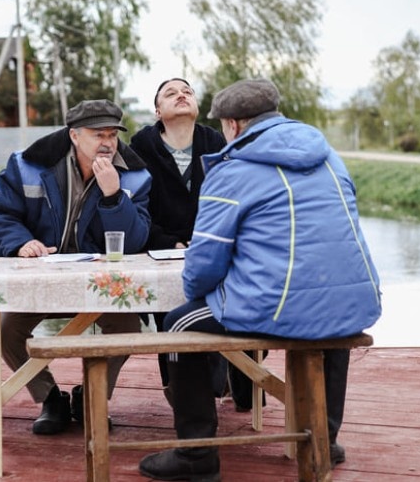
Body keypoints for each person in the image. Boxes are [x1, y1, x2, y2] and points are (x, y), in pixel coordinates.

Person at [138, 78, 382, 481]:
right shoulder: (330, 157)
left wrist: (208, 293)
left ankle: (196, 455)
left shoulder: (233, 169)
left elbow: (202, 265)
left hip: (280, 304)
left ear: (231, 125)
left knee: (178, 321)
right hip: (355, 302)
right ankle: (325, 438)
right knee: (333, 313)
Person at [0, 99, 151, 436]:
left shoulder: (136, 176)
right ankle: (50, 399)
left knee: (129, 327)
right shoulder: (26, 165)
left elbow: (135, 242)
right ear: (74, 135)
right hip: (40, 280)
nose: (107, 142)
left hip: (100, 283)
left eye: (113, 135)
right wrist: (20, 242)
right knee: (7, 333)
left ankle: (90, 397)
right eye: (97, 134)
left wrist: (114, 196)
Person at [129, 78, 231, 400]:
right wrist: (166, 242)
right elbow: (137, 207)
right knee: (167, 314)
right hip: (160, 249)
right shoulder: (140, 148)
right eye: (170, 93)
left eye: (187, 91)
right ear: (158, 111)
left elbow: (229, 201)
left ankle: (228, 373)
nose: (181, 95)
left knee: (213, 307)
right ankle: (177, 387)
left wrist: (207, 241)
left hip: (210, 246)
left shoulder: (215, 143)